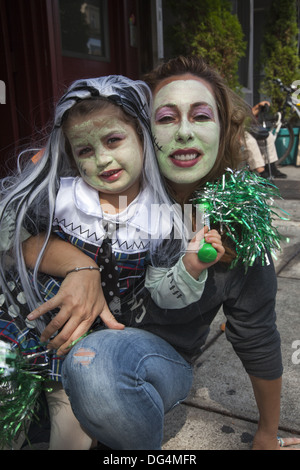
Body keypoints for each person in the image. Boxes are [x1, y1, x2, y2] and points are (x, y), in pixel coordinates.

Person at [18, 57, 300, 450]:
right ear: (144, 129)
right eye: (166, 118)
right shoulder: (98, 179)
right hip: (54, 343)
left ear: (223, 128)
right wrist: (78, 266)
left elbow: (257, 332)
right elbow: (17, 230)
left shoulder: (233, 221)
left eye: (201, 116)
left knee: (93, 364)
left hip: (151, 358)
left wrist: (268, 432)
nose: (184, 132)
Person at [0, 74, 223, 449]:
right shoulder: (60, 197)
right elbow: (11, 241)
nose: (102, 159)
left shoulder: (169, 216)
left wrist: (189, 268)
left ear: (141, 135)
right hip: (28, 324)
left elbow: (163, 294)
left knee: (67, 429)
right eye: (84, 150)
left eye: (113, 140)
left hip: (88, 345)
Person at [245, 101, 287, 179]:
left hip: (246, 127)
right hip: (233, 131)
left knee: (268, 136)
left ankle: (271, 166)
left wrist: (258, 106)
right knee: (249, 140)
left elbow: (248, 116)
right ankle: (260, 171)